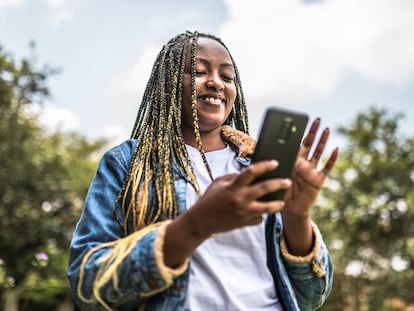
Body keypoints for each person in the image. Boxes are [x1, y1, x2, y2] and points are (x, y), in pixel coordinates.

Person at [67, 30, 338, 311]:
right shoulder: (128, 163)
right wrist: (195, 224)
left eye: (227, 77)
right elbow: (88, 285)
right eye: (198, 71)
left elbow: (311, 298)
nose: (216, 83)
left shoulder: (259, 166)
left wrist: (297, 218)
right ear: (168, 83)